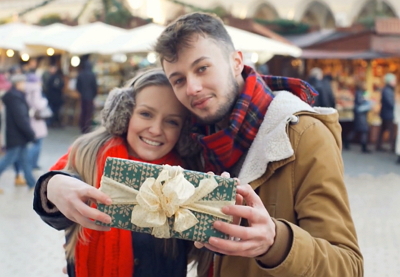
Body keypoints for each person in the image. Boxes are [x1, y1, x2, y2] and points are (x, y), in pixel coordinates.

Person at [34, 12, 363, 276]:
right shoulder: (196, 143)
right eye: (178, 79)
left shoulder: (302, 134)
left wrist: (275, 241)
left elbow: (348, 266)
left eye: (202, 68)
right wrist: (52, 186)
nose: (192, 87)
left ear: (236, 61)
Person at [33, 68, 203, 277]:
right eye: (146, 114)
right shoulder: (88, 154)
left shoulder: (188, 177)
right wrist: (52, 187)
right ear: (123, 113)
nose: (156, 129)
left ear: (185, 131)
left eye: (172, 121)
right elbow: (55, 213)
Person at [0, 74, 36, 193]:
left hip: (18, 135)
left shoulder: (15, 96)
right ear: (18, 83)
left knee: (24, 160)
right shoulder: (15, 98)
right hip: (16, 135)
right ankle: (31, 183)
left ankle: (32, 183)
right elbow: (20, 118)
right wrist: (30, 134)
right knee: (8, 160)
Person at [344, 81, 372, 153]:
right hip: (360, 114)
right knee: (362, 130)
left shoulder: (359, 92)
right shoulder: (359, 93)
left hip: (359, 114)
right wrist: (365, 99)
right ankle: (363, 146)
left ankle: (347, 141)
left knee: (357, 129)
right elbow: (359, 102)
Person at [376, 73, 396, 152]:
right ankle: (392, 146)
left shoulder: (387, 89)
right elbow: (390, 102)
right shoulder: (387, 90)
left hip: (386, 113)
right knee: (390, 130)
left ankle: (379, 145)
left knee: (384, 129)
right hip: (388, 113)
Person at [76, 61, 98, 133]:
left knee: (83, 112)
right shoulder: (92, 75)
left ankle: (82, 126)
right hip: (90, 96)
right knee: (88, 113)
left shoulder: (80, 74)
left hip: (83, 96)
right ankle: (87, 127)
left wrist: (81, 92)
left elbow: (77, 86)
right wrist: (94, 95)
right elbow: (94, 86)